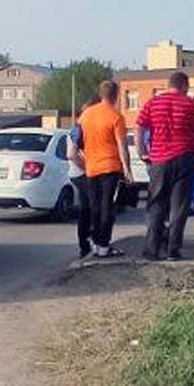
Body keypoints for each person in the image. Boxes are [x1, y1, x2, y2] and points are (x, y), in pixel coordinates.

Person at [136, 72, 194, 261]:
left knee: (156, 205)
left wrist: (142, 152)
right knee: (179, 207)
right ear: (185, 85)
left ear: (168, 84)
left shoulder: (153, 103)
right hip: (185, 159)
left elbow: (139, 127)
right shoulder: (192, 103)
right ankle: (173, 249)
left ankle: (152, 250)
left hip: (159, 161)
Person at [77, 82, 133, 258]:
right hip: (110, 167)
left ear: (101, 94)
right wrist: (128, 169)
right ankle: (103, 245)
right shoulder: (116, 116)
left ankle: (95, 243)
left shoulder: (85, 115)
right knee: (107, 207)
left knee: (95, 207)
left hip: (91, 167)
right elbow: (122, 147)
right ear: (116, 95)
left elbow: (77, 140)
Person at [66, 97, 99, 258]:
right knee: (90, 208)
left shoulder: (81, 127)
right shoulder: (79, 129)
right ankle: (87, 242)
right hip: (81, 174)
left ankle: (87, 244)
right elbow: (71, 155)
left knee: (88, 208)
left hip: (81, 173)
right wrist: (88, 168)